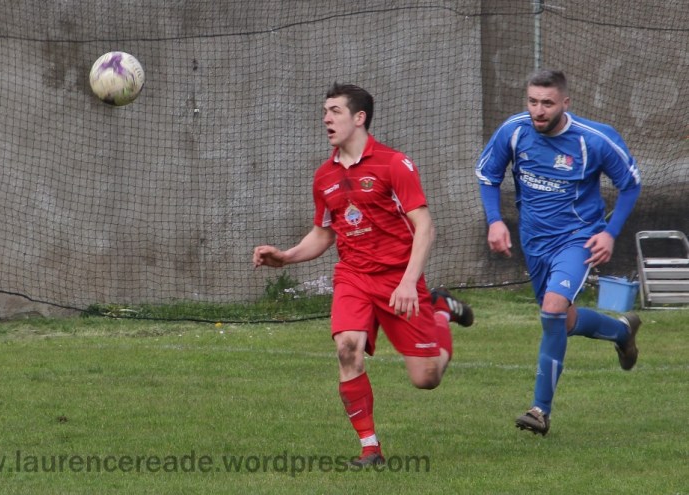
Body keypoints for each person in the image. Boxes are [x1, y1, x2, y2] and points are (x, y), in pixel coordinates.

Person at [253, 83, 473, 466]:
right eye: (325, 111)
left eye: (335, 111)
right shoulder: (324, 176)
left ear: (359, 118)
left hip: (398, 279)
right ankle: (370, 448)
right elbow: (324, 233)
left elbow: (425, 227)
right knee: (346, 349)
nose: (326, 118)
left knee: (426, 378)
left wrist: (409, 282)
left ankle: (439, 312)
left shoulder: (394, 164)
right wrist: (286, 257)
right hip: (353, 276)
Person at [475, 69, 642, 436]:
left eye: (547, 103)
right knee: (562, 321)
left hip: (578, 238)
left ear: (565, 103)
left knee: (552, 310)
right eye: (533, 101)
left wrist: (610, 233)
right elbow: (488, 176)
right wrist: (495, 221)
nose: (538, 110)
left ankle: (540, 410)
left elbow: (630, 184)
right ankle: (621, 331)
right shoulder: (514, 131)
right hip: (534, 241)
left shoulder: (594, 139)